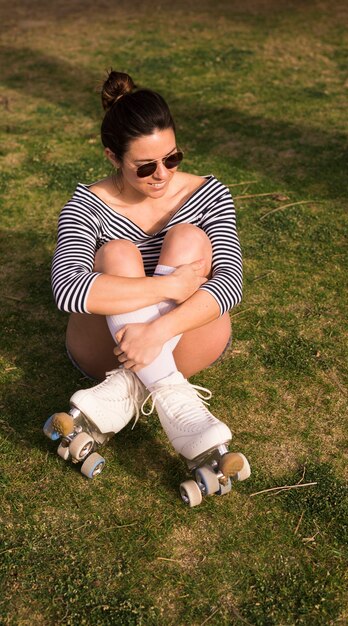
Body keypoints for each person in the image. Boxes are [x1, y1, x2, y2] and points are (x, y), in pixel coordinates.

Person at [49, 70, 244, 470]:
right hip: (109, 346)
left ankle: (124, 388)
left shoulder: (208, 193)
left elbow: (230, 285)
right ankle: (171, 392)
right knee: (118, 253)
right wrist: (171, 286)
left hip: (182, 337)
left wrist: (154, 332)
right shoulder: (87, 204)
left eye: (172, 158)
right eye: (144, 166)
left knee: (189, 238)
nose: (162, 174)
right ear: (112, 157)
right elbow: (67, 289)